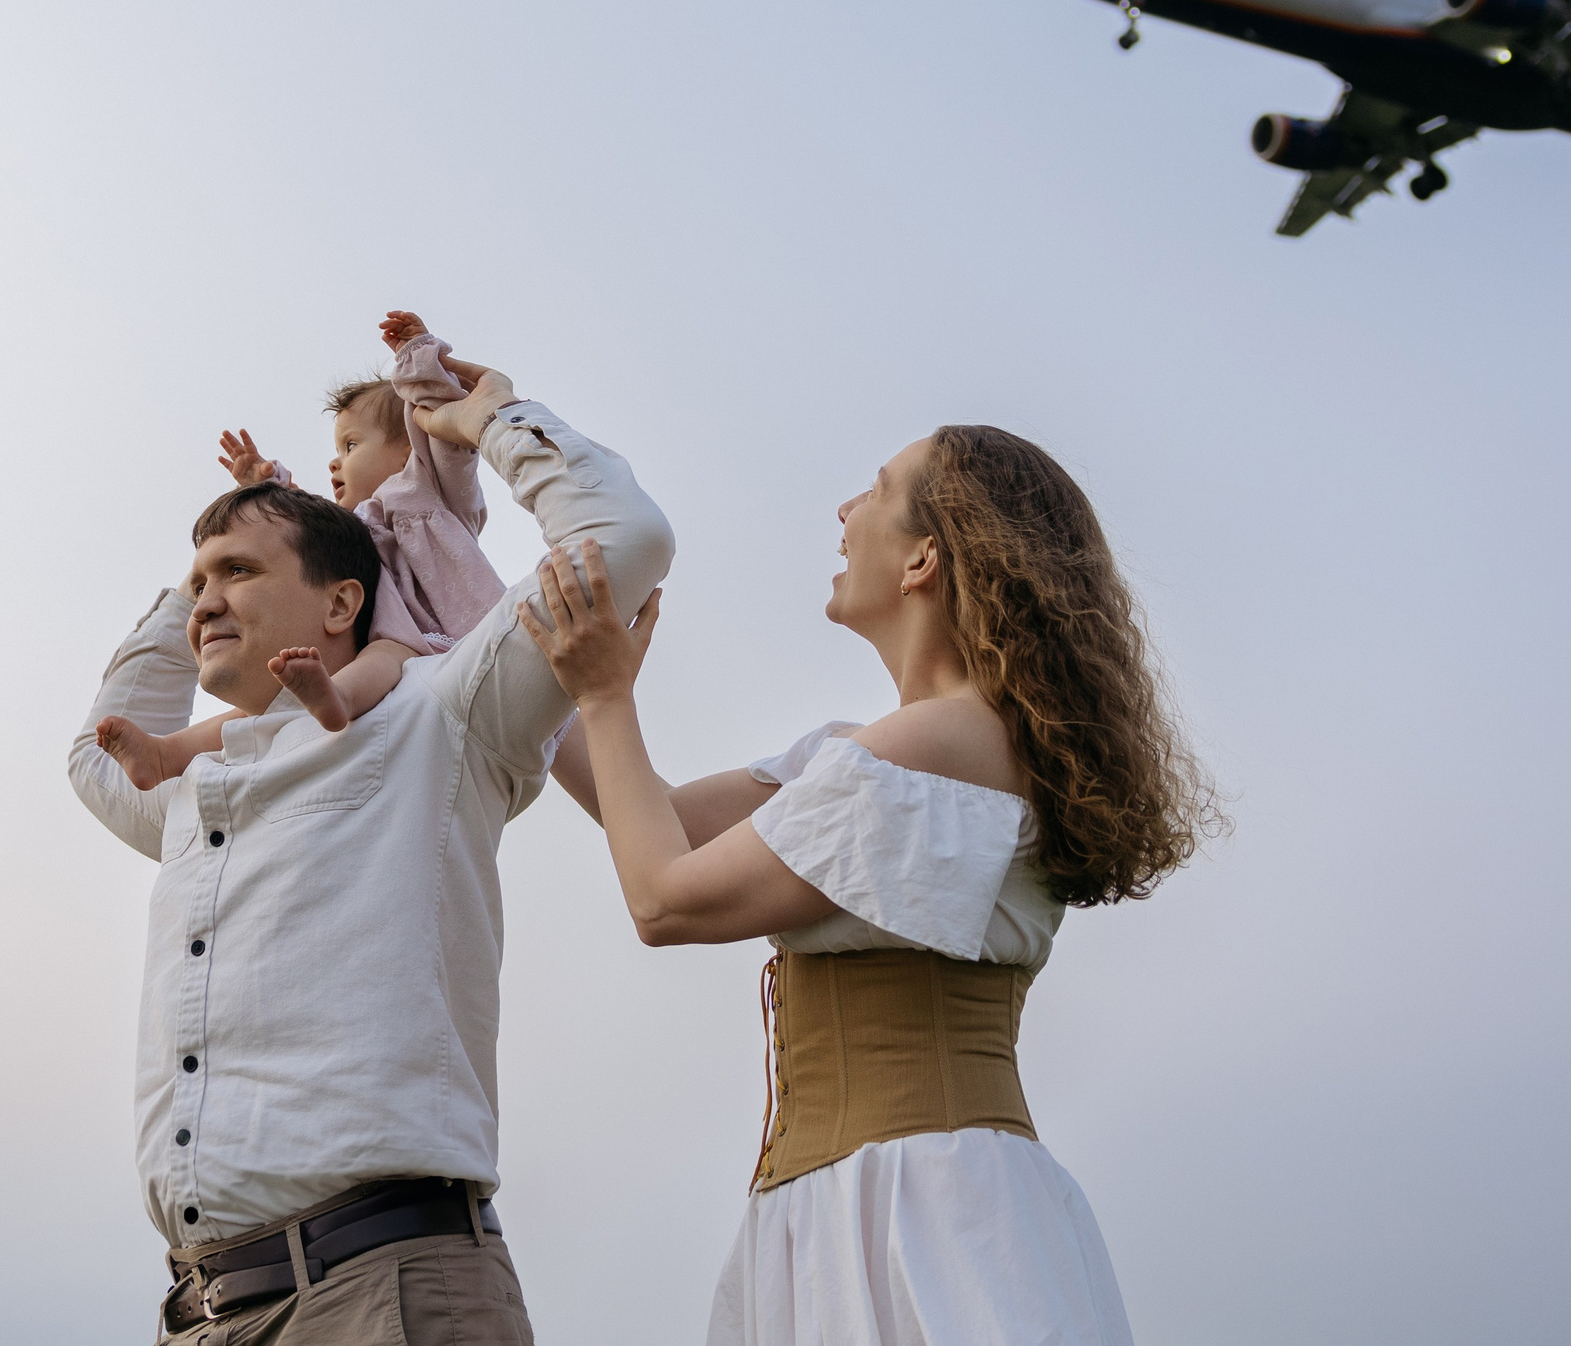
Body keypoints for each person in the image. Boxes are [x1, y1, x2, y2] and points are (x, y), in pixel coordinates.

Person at [522, 425, 1222, 1346]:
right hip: (848, 1210)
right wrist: (461, 608)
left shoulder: (937, 746)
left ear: (926, 554)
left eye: (875, 489)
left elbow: (666, 896)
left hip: (920, 1215)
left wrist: (609, 695)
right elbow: (654, 817)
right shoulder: (886, 750)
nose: (845, 512)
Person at [67, 341, 674, 1344]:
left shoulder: (440, 715)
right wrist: (215, 554)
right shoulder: (195, 794)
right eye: (197, 582)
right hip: (201, 1314)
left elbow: (625, 533)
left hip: (379, 1291)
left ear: (344, 602)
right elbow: (97, 757)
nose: (207, 599)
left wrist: (482, 419)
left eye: (238, 574)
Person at [95, 311, 520, 789]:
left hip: (423, 642)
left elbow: (445, 426)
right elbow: (300, 533)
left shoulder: (434, 492)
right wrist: (268, 487)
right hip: (361, 644)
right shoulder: (358, 524)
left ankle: (336, 701)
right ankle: (165, 752)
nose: (336, 461)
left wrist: (418, 357)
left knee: (382, 656)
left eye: (353, 443)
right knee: (259, 712)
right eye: (336, 448)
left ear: (408, 449)